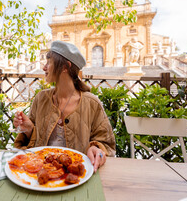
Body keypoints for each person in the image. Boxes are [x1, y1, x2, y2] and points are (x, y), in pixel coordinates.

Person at [13, 40, 116, 172]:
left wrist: (96, 148)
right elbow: (31, 144)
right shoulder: (41, 98)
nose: (44, 67)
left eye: (49, 62)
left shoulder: (92, 103)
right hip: (39, 175)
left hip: (77, 177)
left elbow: (106, 144)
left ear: (65, 67)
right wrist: (28, 129)